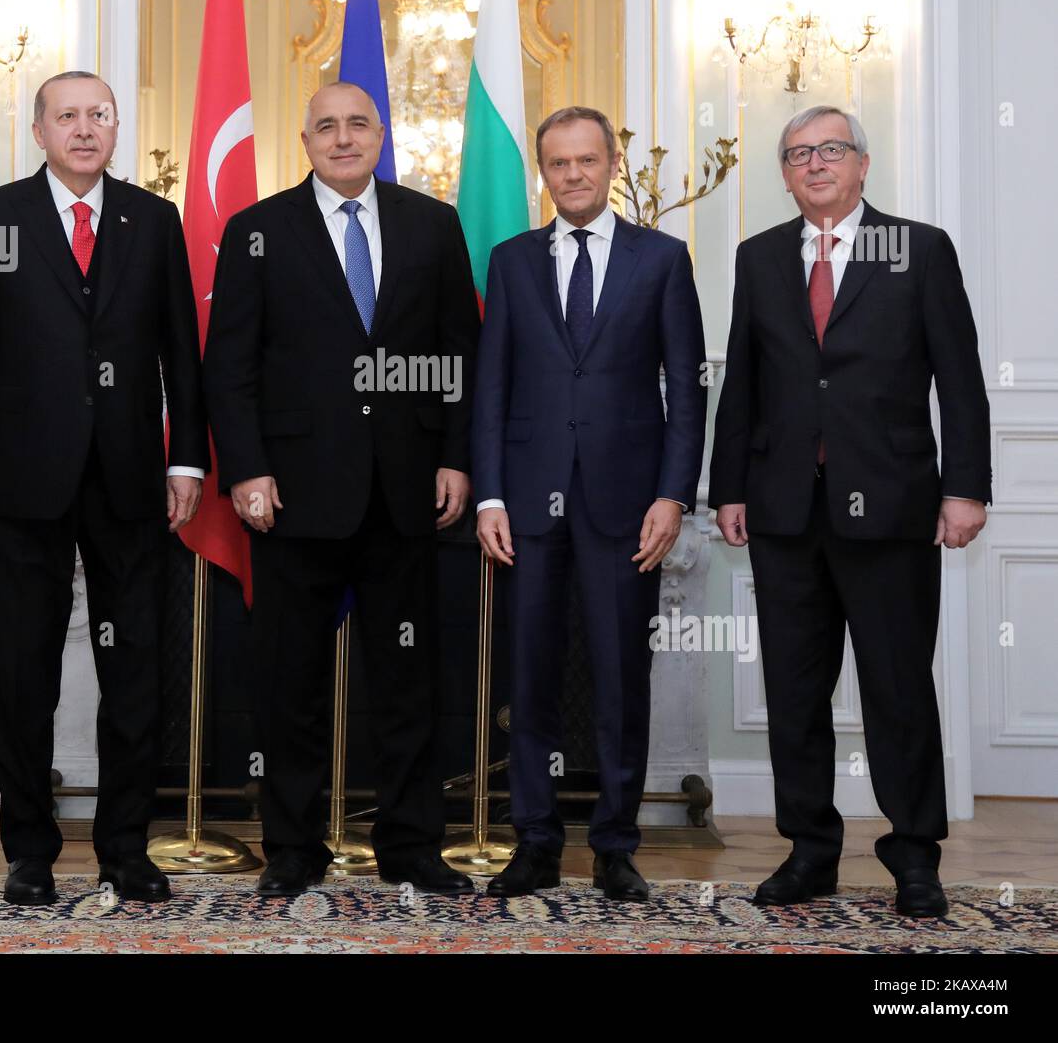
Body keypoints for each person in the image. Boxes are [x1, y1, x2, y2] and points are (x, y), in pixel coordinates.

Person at [709, 105, 991, 918]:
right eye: (797, 154)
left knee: (897, 688)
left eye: (831, 150)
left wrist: (965, 486)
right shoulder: (758, 257)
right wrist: (730, 487)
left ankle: (913, 854)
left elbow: (960, 378)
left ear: (863, 164)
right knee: (795, 693)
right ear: (787, 173)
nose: (815, 164)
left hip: (896, 511)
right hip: (786, 513)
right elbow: (744, 386)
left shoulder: (919, 249)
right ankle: (810, 850)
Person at [0, 71, 208, 905]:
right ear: (39, 128)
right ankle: (30, 851)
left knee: (133, 674)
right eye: (68, 116)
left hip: (130, 483)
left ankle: (127, 848)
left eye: (99, 115)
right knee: (24, 674)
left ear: (117, 126)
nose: (84, 129)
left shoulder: (154, 220)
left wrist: (186, 461)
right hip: (20, 482)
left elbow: (180, 356)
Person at [202, 81, 480, 897]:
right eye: (327, 125)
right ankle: (291, 849)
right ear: (306, 139)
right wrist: (247, 468)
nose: (344, 137)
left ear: (381, 133)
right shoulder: (256, 232)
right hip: (291, 497)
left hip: (404, 493)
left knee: (408, 682)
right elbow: (232, 367)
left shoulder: (433, 224)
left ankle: (412, 847)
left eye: (358, 123)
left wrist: (456, 457)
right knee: (289, 687)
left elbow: (458, 354)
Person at [472, 106, 707, 900]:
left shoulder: (663, 259)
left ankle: (614, 844)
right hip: (527, 511)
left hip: (628, 505)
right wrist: (491, 494)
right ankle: (535, 840)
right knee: (529, 681)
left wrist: (675, 493)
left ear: (612, 164)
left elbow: (687, 389)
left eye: (587, 160)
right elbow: (491, 388)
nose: (573, 174)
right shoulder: (510, 261)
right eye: (558, 163)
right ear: (544, 172)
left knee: (618, 679)